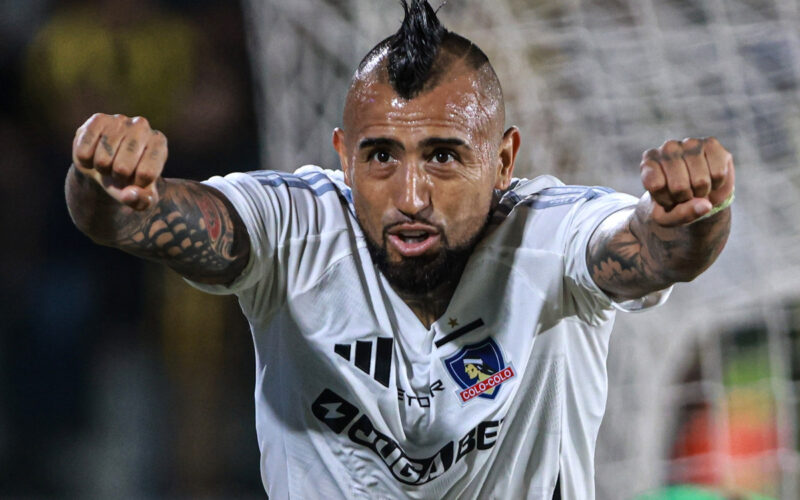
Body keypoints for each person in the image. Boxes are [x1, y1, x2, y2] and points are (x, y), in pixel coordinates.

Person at [65, 1, 734, 498]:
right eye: (381, 156)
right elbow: (142, 221)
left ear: (503, 161)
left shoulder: (547, 233)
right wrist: (107, 188)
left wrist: (691, 214)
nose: (411, 195)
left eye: (443, 157)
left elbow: (655, 249)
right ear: (342, 157)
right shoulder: (296, 225)